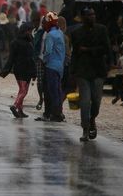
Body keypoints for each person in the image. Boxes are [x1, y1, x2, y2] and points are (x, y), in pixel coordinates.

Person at [70, 8, 111, 141]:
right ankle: (85, 129)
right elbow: (75, 54)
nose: (92, 17)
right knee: (85, 102)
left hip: (98, 71)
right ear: (83, 17)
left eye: (93, 14)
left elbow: (106, 48)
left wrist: (88, 50)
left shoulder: (102, 30)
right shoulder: (76, 33)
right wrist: (72, 71)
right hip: (83, 71)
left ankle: (92, 119)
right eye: (88, 15)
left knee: (97, 101)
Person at [0, 23, 36, 118]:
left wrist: (5, 70)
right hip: (26, 69)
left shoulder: (14, 42)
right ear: (26, 31)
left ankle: (20, 110)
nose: (31, 33)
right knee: (24, 91)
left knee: (21, 89)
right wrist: (34, 72)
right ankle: (15, 106)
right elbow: (31, 58)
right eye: (30, 31)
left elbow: (11, 58)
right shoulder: (29, 43)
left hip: (17, 69)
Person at [39, 12, 66, 123]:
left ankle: (55, 114)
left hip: (51, 66)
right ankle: (58, 112)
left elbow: (48, 51)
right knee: (58, 91)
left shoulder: (50, 35)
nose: (43, 26)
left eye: (45, 23)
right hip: (60, 66)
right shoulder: (60, 33)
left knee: (52, 91)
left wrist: (43, 60)